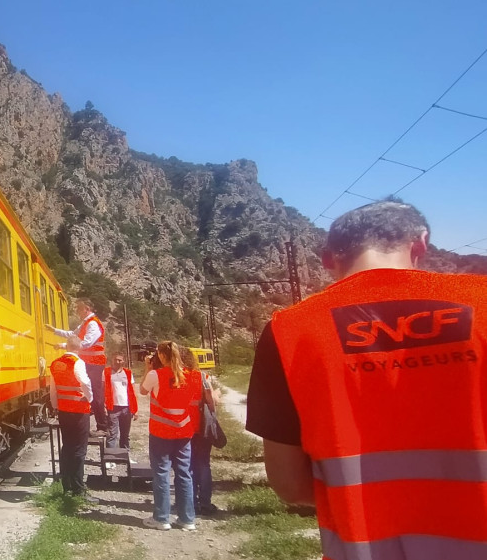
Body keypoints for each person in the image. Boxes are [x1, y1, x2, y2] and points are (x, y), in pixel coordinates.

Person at [246, 199, 487, 560]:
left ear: (328, 259)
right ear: (421, 244)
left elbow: (290, 485)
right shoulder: (480, 301)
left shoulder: (288, 331)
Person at [140, 341, 202, 531]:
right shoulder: (194, 376)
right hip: (183, 431)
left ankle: (161, 518)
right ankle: (187, 519)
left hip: (161, 432)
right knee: (184, 474)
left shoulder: (155, 374)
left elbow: (142, 391)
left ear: (161, 356)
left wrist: (148, 367)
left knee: (161, 473)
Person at [47, 298, 108, 434]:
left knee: (96, 394)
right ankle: (99, 422)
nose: (77, 312)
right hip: (90, 362)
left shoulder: (93, 324)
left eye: (79, 309)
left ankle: (103, 426)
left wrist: (64, 345)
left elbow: (86, 343)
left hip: (95, 363)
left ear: (86, 309)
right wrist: (55, 331)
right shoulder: (86, 323)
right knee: (90, 390)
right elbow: (73, 335)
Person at [49, 340, 93, 495]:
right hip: (79, 411)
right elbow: (85, 382)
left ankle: (66, 484)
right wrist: (90, 398)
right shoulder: (78, 362)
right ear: (79, 348)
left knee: (67, 447)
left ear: (67, 346)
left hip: (63, 411)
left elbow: (53, 389)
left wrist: (55, 406)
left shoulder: (55, 364)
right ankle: (78, 488)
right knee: (79, 449)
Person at [179, 346, 218, 516]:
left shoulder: (176, 377)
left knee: (187, 466)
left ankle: (190, 503)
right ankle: (205, 503)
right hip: (201, 428)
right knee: (203, 464)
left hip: (182, 427)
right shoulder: (200, 376)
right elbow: (211, 402)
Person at [104, 351, 138, 450]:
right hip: (113, 408)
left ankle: (125, 456)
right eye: (115, 359)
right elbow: (102, 390)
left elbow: (133, 392)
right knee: (112, 435)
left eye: (120, 360)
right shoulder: (106, 372)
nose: (117, 361)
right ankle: (110, 460)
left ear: (123, 361)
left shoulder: (128, 373)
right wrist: (103, 406)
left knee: (125, 435)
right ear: (112, 360)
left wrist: (135, 410)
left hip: (126, 408)